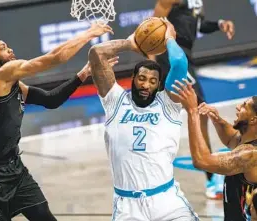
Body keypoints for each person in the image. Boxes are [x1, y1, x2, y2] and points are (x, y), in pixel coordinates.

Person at [0, 23, 113, 221]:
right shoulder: (0, 76)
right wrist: (88, 34)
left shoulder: (15, 85)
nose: (10, 49)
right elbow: (54, 58)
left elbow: (51, 100)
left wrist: (82, 75)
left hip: (15, 170)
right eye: (2, 48)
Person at [88, 18, 199, 220]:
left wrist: (169, 38)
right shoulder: (115, 101)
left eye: (152, 81)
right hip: (128, 207)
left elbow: (180, 63)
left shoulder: (168, 104)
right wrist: (130, 44)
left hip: (167, 201)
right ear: (133, 78)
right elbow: (97, 54)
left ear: (158, 85)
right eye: (142, 78)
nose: (146, 85)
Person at [152, 0, 235, 199]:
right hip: (173, 58)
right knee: (199, 109)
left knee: (175, 113)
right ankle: (211, 179)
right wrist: (151, 65)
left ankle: (208, 176)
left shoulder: (197, 2)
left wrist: (219, 24)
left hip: (187, 57)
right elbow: (153, 27)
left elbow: (197, 26)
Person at [171, 79, 257, 220]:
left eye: (244, 106)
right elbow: (232, 139)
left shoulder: (250, 155)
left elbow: (201, 161)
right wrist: (217, 119)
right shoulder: (247, 142)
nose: (237, 107)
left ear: (254, 120)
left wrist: (192, 112)